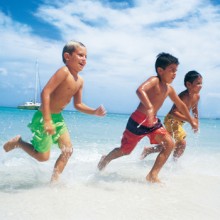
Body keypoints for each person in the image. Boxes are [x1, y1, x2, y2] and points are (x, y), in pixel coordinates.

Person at [3, 40, 106, 182]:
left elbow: (78, 104)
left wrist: (94, 112)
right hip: (43, 116)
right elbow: (45, 92)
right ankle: (19, 142)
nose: (84, 59)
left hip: (58, 118)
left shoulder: (80, 81)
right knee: (42, 157)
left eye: (86, 57)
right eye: (80, 55)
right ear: (67, 57)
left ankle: (54, 182)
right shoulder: (63, 72)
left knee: (68, 150)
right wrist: (47, 120)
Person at [98, 52, 198, 183]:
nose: (175, 73)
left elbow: (181, 105)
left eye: (176, 70)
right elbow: (140, 90)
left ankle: (152, 175)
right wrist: (150, 107)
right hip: (137, 121)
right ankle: (106, 159)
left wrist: (191, 121)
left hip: (153, 122)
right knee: (125, 151)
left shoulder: (169, 89)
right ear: (160, 70)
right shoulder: (154, 80)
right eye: (171, 70)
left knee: (170, 143)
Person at [140, 70, 202, 161]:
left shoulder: (197, 96)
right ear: (189, 84)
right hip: (171, 120)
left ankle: (148, 150)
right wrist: (190, 120)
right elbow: (174, 112)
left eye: (201, 83)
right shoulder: (183, 96)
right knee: (182, 143)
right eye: (198, 83)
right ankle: (174, 163)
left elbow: (194, 109)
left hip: (179, 122)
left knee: (170, 144)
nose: (201, 86)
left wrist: (196, 121)